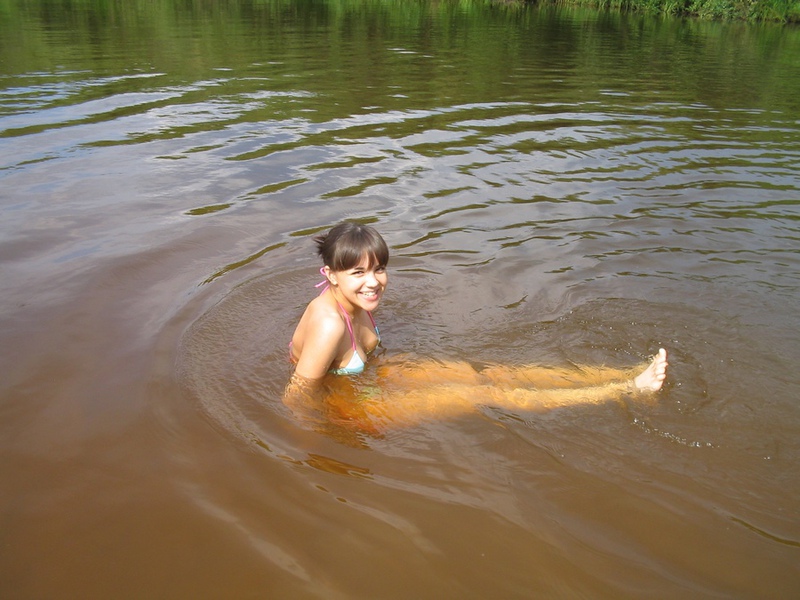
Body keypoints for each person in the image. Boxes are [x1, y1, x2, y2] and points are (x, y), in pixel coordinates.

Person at [286, 221, 668, 431]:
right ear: (331, 275)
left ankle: (622, 372)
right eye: (358, 272)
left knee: (486, 373)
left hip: (370, 379)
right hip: (351, 409)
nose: (373, 282)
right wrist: (313, 442)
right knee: (483, 394)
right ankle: (623, 390)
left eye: (379, 269)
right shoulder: (329, 324)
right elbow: (297, 396)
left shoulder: (358, 301)